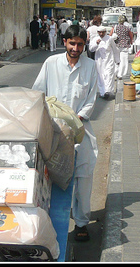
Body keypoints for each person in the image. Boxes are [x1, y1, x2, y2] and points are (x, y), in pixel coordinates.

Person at [32, 24, 98, 243]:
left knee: (83, 178)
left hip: (81, 130)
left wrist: (77, 119)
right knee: (52, 178)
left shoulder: (90, 66)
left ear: (84, 45)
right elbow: (38, 93)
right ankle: (50, 223)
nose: (76, 48)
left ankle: (81, 223)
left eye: (80, 44)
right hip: (54, 133)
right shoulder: (51, 63)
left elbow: (90, 100)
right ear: (65, 43)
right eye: (72, 43)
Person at [89, 25, 120, 99]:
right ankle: (102, 93)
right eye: (99, 32)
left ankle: (108, 91)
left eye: (102, 32)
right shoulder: (95, 39)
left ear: (105, 32)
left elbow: (115, 50)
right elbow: (91, 49)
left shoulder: (109, 39)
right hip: (99, 61)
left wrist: (117, 60)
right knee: (100, 77)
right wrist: (96, 44)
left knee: (109, 75)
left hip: (109, 60)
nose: (101, 34)